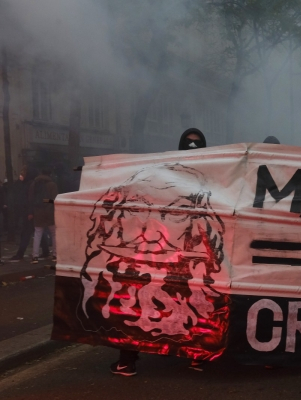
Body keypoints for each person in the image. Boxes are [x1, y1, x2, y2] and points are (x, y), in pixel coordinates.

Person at [111, 128, 210, 376]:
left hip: (186, 253)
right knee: (138, 298)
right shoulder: (168, 175)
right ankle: (128, 359)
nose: (192, 147)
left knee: (193, 300)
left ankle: (197, 354)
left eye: (196, 144)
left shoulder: (209, 175)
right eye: (189, 143)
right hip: (156, 251)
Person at [8, 166, 49, 262]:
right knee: (38, 231)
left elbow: (30, 200)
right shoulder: (31, 184)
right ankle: (46, 251)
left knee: (26, 233)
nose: (21, 175)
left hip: (29, 212)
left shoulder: (31, 184)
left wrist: (30, 212)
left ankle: (20, 253)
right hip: (31, 211)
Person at [28, 167, 58, 264]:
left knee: (37, 233)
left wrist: (31, 211)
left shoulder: (34, 184)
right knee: (54, 233)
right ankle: (55, 255)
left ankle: (35, 256)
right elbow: (54, 199)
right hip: (49, 211)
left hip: (38, 211)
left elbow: (31, 199)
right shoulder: (52, 184)